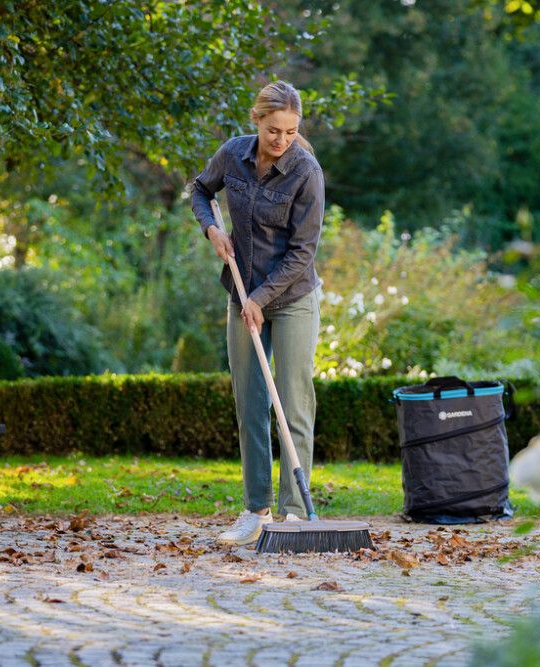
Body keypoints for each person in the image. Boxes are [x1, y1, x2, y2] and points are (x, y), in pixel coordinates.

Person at [189, 81, 326, 546]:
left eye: (289, 131)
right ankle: (256, 511)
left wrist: (261, 299)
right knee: (250, 404)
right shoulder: (232, 155)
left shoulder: (306, 172)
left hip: (291, 300)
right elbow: (199, 190)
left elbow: (302, 252)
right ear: (257, 121)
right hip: (241, 292)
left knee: (293, 403)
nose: (280, 140)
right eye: (273, 130)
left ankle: (291, 514)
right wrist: (211, 228)